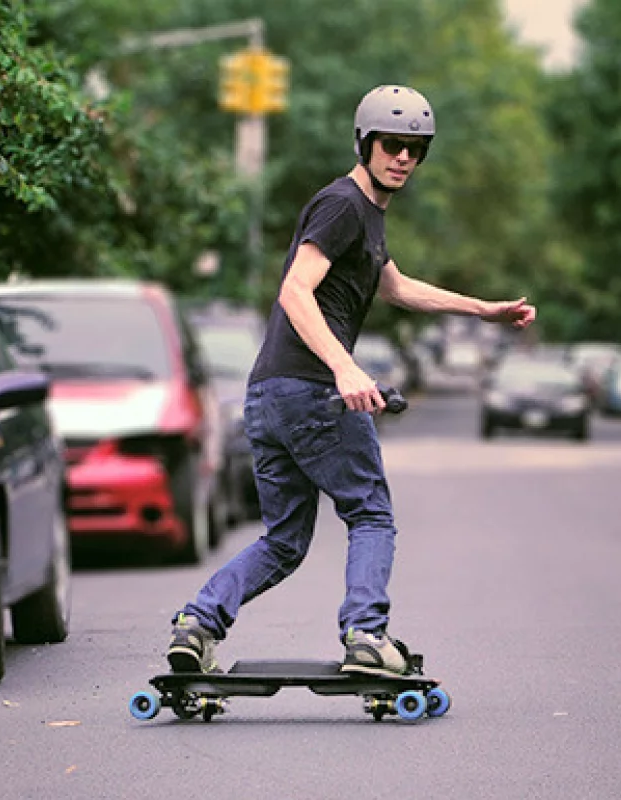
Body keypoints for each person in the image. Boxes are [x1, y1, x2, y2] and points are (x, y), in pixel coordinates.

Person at [165, 85, 536, 677]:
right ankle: (366, 633)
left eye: (417, 149)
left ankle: (197, 623)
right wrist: (344, 367)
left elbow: (397, 287)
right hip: (314, 393)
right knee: (371, 514)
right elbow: (294, 289)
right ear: (365, 143)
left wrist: (483, 309)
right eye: (392, 145)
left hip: (270, 395)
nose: (404, 159)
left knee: (284, 541)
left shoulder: (365, 218)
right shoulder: (342, 206)